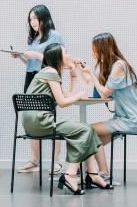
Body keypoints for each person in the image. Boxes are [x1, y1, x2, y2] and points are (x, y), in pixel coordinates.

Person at [23, 43, 113, 194]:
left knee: (87, 130)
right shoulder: (51, 72)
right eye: (66, 52)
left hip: (33, 123)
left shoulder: (47, 72)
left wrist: (72, 74)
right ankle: (70, 175)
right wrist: (80, 94)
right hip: (41, 122)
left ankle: (93, 174)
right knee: (85, 129)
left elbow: (68, 93)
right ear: (58, 56)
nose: (69, 55)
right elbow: (63, 102)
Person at [78, 32, 137, 182]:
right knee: (90, 142)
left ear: (102, 48)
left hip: (132, 120)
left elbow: (104, 94)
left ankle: (97, 173)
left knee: (88, 130)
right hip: (123, 118)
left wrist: (91, 73)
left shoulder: (119, 66)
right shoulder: (110, 66)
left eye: (94, 48)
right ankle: (98, 174)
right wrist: (84, 73)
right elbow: (93, 87)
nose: (92, 52)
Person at [13, 5, 64, 174]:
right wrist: (21, 56)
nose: (32, 22)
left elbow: (57, 61)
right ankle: (34, 160)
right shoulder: (33, 39)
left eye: (35, 18)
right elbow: (31, 64)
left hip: (49, 77)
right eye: (30, 19)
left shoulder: (55, 36)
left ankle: (56, 161)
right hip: (32, 77)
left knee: (49, 117)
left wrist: (35, 55)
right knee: (32, 117)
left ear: (44, 18)